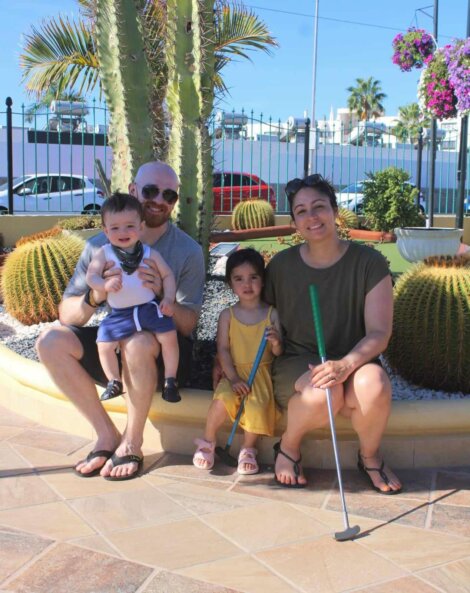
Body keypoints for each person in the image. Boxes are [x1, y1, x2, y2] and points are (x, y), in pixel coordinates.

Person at [36, 161, 205, 480]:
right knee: (50, 341)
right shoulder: (99, 246)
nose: (159, 200)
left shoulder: (186, 251)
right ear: (133, 191)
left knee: (138, 342)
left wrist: (159, 295)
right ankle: (106, 435)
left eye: (169, 195)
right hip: (115, 337)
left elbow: (188, 324)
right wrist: (95, 296)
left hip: (164, 353)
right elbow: (67, 313)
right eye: (151, 190)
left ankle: (132, 442)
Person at [264, 174, 402, 494]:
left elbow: (379, 333)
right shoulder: (281, 267)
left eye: (319, 207)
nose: (312, 217)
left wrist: (344, 366)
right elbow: (262, 320)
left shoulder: (369, 263)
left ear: (334, 210)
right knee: (325, 393)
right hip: (299, 362)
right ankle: (288, 447)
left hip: (353, 360)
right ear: (295, 221)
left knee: (374, 385)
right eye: (301, 211)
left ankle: (369, 457)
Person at [193, 248, 282, 475]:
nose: (247, 284)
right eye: (239, 279)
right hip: (234, 373)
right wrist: (232, 378)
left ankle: (248, 448)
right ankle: (208, 441)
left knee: (257, 405)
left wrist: (275, 342)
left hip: (259, 374)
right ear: (230, 284)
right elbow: (222, 349)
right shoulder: (227, 315)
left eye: (253, 277)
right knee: (222, 400)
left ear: (263, 280)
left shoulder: (272, 314)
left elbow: (279, 351)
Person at [86, 192, 180, 403]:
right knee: (104, 343)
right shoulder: (104, 253)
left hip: (149, 307)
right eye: (115, 227)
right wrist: (104, 285)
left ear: (141, 227)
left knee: (169, 337)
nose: (123, 232)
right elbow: (91, 276)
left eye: (129, 226)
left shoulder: (149, 253)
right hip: (119, 314)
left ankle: (171, 380)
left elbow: (167, 275)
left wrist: (168, 299)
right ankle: (114, 381)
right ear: (105, 230)